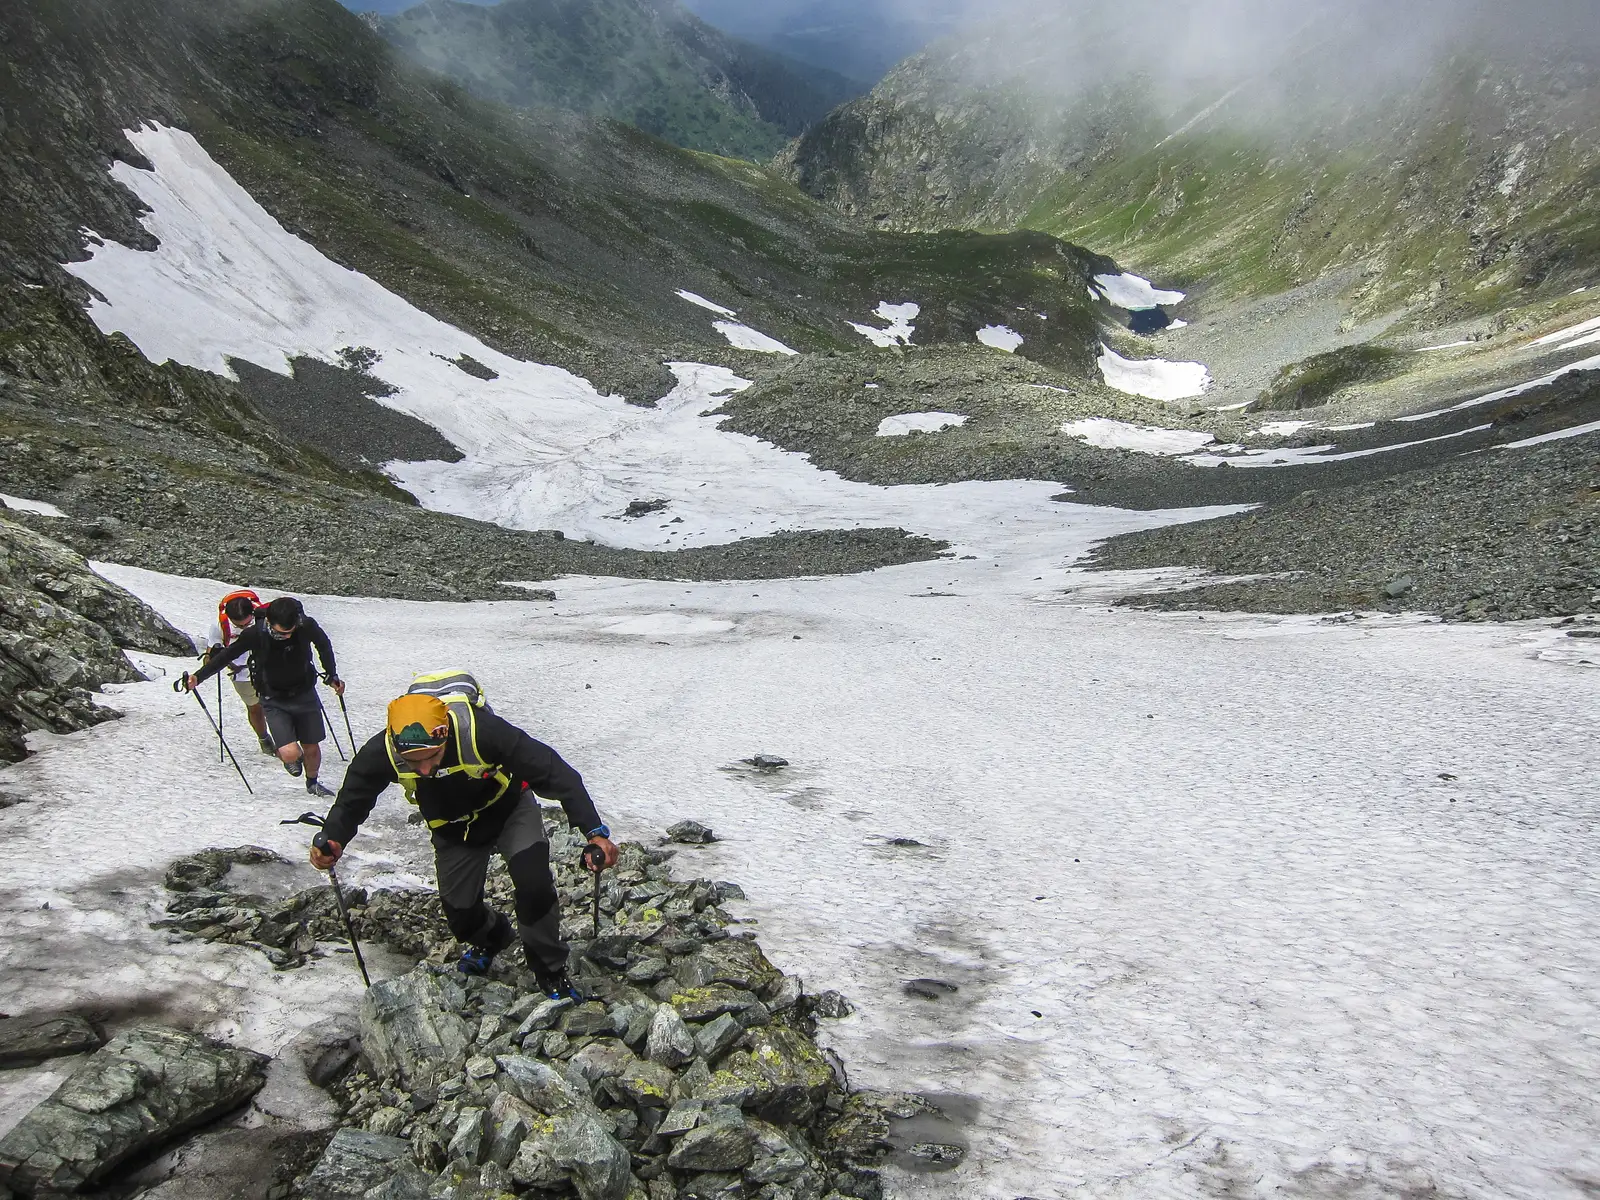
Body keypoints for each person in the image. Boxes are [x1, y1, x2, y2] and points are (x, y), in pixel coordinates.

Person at [307, 683, 617, 997]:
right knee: (461, 914)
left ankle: (550, 970)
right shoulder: (383, 751)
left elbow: (555, 773)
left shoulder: (483, 732)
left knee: (534, 884)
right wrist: (334, 838)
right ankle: (493, 938)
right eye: (414, 762)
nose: (425, 768)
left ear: (445, 734)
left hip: (509, 809)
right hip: (453, 829)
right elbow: (352, 800)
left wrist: (594, 832)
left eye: (432, 757)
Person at [185, 596, 343, 797]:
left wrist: (331, 674)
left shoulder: (305, 626)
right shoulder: (255, 634)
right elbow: (227, 655)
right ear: (268, 622)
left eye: (289, 632)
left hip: (304, 692)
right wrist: (198, 677)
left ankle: (312, 782)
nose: (285, 636)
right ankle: (291, 757)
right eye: (280, 633)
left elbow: (324, 645)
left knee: (311, 746)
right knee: (290, 753)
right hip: (273, 697)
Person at [203, 590, 274, 756]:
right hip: (242, 673)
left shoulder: (264, 619)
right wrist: (214, 657)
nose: (243, 627)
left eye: (246, 624)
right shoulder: (220, 625)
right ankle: (264, 739)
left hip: (268, 668)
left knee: (275, 705)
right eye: (239, 625)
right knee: (255, 708)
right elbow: (209, 655)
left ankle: (286, 741)